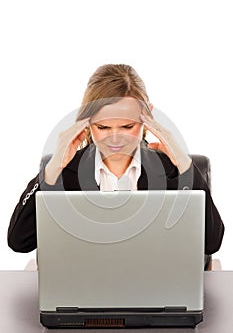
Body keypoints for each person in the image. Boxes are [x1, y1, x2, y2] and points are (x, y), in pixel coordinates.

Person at [8, 64, 224, 263]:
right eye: (103, 127)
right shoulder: (64, 172)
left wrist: (184, 165)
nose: (115, 139)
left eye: (127, 126)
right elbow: (19, 241)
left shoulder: (171, 170)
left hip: (156, 289)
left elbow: (211, 242)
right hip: (84, 291)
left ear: (146, 117)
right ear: (88, 122)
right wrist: (52, 169)